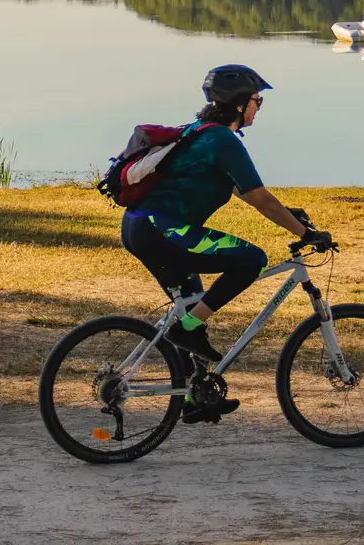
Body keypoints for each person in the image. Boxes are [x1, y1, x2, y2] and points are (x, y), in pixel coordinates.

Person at [121, 63, 331, 423]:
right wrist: (305, 234)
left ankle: (196, 397)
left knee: (192, 305)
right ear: (238, 104)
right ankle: (185, 330)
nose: (258, 107)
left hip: (142, 228)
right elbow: (259, 196)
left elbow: (240, 191)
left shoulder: (200, 132)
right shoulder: (223, 140)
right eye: (256, 100)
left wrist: (291, 215)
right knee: (250, 259)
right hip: (163, 231)